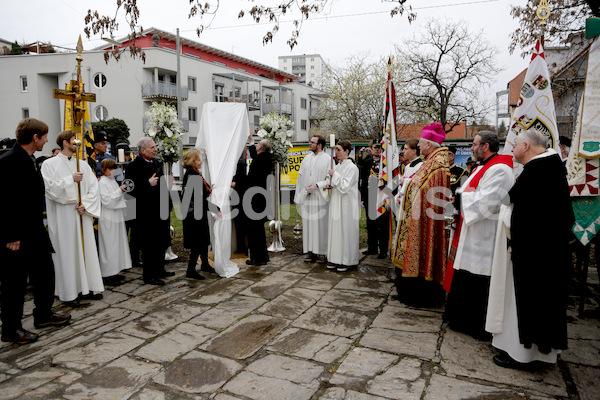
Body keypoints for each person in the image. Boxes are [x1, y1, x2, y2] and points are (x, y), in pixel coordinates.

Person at [487, 128, 573, 369]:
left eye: (515, 144)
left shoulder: (538, 170)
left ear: (526, 147)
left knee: (529, 304)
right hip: (545, 253)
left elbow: (515, 206)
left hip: (535, 255)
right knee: (545, 306)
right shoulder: (548, 166)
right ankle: (543, 354)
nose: (512, 148)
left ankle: (523, 355)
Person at [0, 119, 71, 344]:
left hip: (34, 229)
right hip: (17, 235)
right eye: (45, 136)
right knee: (14, 283)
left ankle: (43, 314)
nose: (48, 140)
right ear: (35, 138)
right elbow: (5, 201)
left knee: (45, 272)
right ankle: (11, 329)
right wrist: (11, 235)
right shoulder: (9, 161)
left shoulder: (29, 159)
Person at [444, 132, 514, 340]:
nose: (471, 148)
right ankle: (459, 319)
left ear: (485, 147)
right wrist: (457, 197)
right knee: (465, 273)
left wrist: (459, 200)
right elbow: (467, 193)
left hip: (485, 235)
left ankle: (474, 325)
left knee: (477, 277)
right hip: (470, 230)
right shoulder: (483, 167)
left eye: (474, 144)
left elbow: (488, 201)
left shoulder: (500, 169)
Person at [41, 130, 104, 306]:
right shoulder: (49, 164)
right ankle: (70, 292)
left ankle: (90, 286)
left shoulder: (82, 165)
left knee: (86, 250)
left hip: (81, 213)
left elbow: (94, 187)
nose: (77, 143)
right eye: (73, 140)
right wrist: (71, 180)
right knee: (68, 252)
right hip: (64, 215)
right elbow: (50, 189)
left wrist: (86, 204)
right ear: (64, 143)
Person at [391, 123, 450, 308]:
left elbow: (421, 187)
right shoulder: (432, 161)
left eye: (422, 143)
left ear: (429, 145)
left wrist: (407, 183)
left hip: (425, 217)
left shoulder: (436, 164)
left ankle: (421, 295)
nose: (420, 146)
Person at [124, 137, 173, 285]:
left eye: (155, 147)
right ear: (142, 150)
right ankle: (149, 275)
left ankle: (160, 269)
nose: (155, 149)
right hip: (145, 213)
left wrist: (169, 202)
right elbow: (129, 190)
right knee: (149, 245)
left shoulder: (157, 164)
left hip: (160, 209)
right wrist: (147, 183)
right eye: (151, 147)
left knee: (161, 241)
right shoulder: (133, 167)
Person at [319, 140, 359, 272]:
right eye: (335, 149)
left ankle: (348, 260)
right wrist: (329, 183)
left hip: (347, 204)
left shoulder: (352, 167)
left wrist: (334, 175)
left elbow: (345, 185)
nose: (336, 152)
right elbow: (333, 181)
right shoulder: (338, 165)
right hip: (336, 202)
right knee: (335, 230)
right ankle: (336, 258)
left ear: (346, 152)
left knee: (345, 230)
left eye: (338, 149)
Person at [181, 149, 218, 280]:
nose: (200, 161)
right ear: (192, 162)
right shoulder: (194, 176)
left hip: (195, 213)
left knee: (202, 241)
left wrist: (209, 190)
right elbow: (199, 199)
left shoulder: (192, 174)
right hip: (195, 214)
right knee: (197, 242)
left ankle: (205, 264)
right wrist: (215, 208)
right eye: (197, 159)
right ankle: (190, 270)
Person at [294, 135, 332, 263]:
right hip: (307, 197)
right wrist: (298, 195)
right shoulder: (306, 158)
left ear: (319, 145)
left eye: (312, 142)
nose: (310, 144)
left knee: (320, 225)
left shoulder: (328, 159)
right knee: (308, 225)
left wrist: (317, 186)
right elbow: (300, 178)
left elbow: (330, 180)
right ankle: (310, 251)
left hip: (320, 197)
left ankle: (322, 252)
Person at [98, 158, 131, 285]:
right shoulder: (102, 183)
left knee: (117, 244)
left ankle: (115, 271)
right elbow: (107, 201)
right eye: (109, 169)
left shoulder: (112, 181)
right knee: (109, 245)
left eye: (114, 169)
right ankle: (107, 274)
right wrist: (120, 190)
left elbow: (116, 197)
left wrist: (121, 192)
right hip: (108, 217)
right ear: (103, 170)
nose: (112, 171)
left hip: (116, 216)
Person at [244, 136, 273, 266]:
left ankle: (257, 258)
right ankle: (263, 256)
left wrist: (238, 184)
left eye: (257, 144)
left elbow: (250, 179)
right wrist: (251, 141)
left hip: (255, 198)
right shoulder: (266, 159)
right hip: (262, 197)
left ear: (260, 147)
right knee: (259, 229)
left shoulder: (258, 161)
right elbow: (254, 155)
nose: (256, 145)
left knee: (254, 229)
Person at [358, 142, 389, 258]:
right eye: (375, 148)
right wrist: (362, 155)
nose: (377, 150)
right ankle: (372, 247)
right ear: (371, 149)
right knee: (370, 224)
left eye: (379, 148)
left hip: (381, 196)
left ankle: (383, 250)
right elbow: (361, 172)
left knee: (382, 225)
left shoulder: (385, 162)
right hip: (369, 195)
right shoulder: (368, 161)